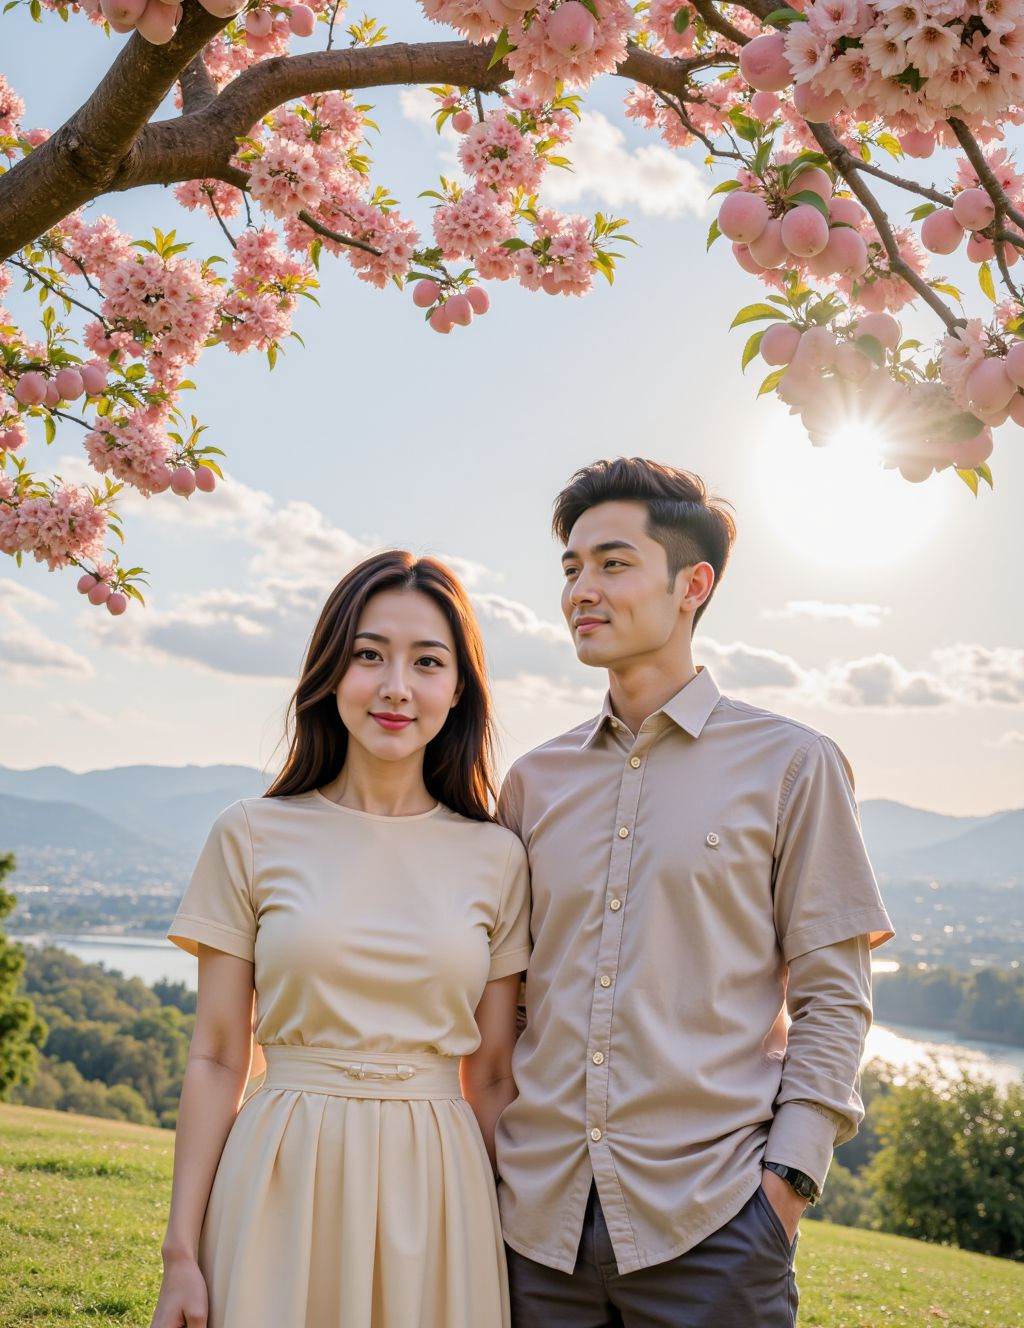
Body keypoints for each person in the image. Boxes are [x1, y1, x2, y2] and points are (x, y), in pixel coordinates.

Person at [495, 457, 896, 1328]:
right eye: (570, 568)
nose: (580, 591)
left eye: (611, 563)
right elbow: (509, 1001)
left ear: (693, 584)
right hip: (534, 1235)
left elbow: (835, 999)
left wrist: (784, 1186)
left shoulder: (793, 764)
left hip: (714, 1233)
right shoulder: (533, 782)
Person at [152, 551, 531, 1328]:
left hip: (442, 1190)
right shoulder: (252, 834)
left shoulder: (498, 857)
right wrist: (180, 1255)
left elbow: (491, 1075)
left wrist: (516, 1245)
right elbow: (220, 1054)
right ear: (331, 673)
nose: (396, 686)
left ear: (458, 689)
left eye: (428, 662)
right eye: (369, 655)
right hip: (281, 1175)